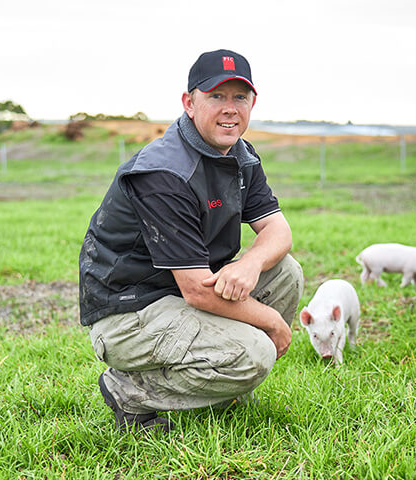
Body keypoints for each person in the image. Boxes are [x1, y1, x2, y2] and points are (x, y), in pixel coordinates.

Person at [78, 49, 303, 433]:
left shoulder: (241, 155)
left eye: (240, 97)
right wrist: (273, 323)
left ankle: (226, 392)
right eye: (216, 96)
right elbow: (198, 291)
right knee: (256, 353)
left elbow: (279, 232)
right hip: (129, 313)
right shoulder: (164, 172)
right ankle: (130, 390)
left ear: (252, 103)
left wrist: (248, 264)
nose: (230, 109)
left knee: (285, 271)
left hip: (181, 293)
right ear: (189, 103)